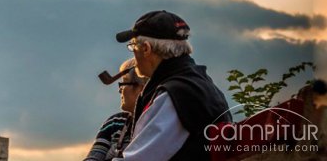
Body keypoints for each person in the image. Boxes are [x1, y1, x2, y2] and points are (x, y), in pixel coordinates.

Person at [112, 10, 232, 161]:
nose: (133, 53)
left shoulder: (174, 95)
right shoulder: (198, 82)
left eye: (133, 45)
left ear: (146, 49)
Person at [84, 58, 148, 161]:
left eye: (123, 83)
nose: (119, 90)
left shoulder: (156, 121)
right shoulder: (115, 123)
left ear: (141, 87)